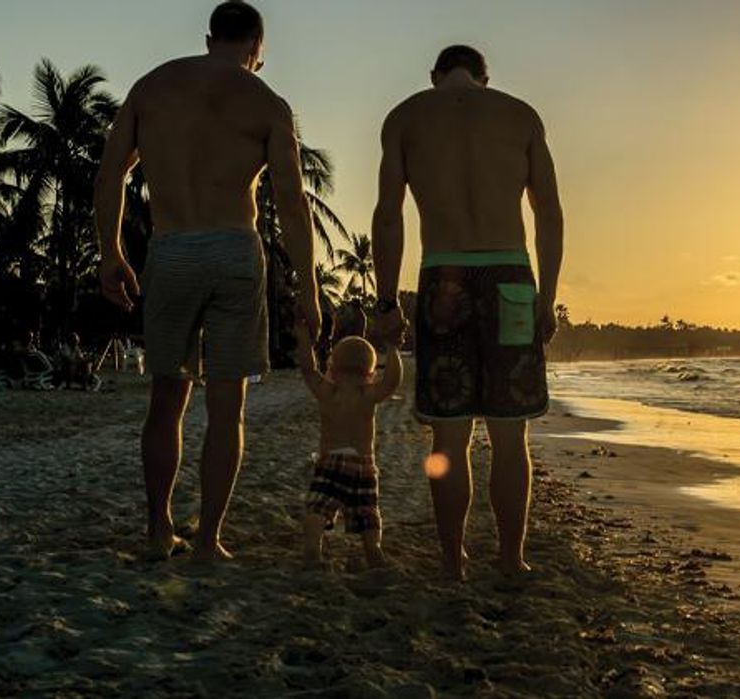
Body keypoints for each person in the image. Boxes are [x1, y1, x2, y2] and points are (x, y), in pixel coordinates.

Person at [94, 1, 320, 562]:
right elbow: (292, 204)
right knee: (227, 407)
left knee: (166, 399)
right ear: (257, 49)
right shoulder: (266, 102)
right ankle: (209, 539)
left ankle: (156, 530)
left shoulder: (154, 87)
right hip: (234, 251)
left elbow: (109, 173)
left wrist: (110, 252)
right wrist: (308, 288)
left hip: (172, 250)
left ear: (209, 36)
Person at [371, 45, 565, 580]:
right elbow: (548, 213)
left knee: (449, 437)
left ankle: (453, 561)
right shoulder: (520, 115)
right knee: (511, 435)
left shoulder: (406, 117)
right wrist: (546, 295)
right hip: (511, 279)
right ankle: (510, 558)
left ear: (435, 76)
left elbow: (389, 217)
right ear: (485, 77)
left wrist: (387, 302)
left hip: (443, 277)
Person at [295, 330, 400, 569]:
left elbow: (308, 370)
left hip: (331, 461)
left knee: (318, 508)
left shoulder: (328, 392)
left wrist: (304, 341)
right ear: (371, 374)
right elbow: (392, 381)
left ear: (332, 369)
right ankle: (373, 550)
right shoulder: (368, 394)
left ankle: (313, 549)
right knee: (367, 512)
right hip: (363, 464)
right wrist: (392, 349)